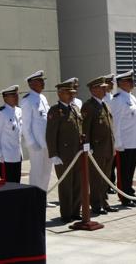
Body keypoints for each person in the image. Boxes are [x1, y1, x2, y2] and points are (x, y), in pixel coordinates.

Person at [46, 80, 83, 223]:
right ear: (60, 93)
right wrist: (53, 154)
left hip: (77, 153)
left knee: (77, 183)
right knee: (66, 184)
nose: (72, 95)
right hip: (63, 154)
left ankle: (75, 211)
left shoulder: (75, 109)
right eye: (68, 93)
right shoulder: (55, 111)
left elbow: (80, 129)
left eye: (73, 93)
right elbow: (50, 134)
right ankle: (66, 214)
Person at [81, 77, 118, 214]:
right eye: (102, 87)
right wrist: (88, 147)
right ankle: (96, 205)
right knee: (96, 178)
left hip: (107, 147)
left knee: (106, 177)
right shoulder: (89, 106)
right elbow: (85, 129)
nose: (105, 89)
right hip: (96, 149)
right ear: (93, 90)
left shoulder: (104, 104)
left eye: (105, 87)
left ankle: (104, 201)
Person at [21, 70, 54, 203]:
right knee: (36, 172)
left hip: (47, 142)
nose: (43, 83)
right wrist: (31, 142)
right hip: (36, 144)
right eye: (40, 81)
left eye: (43, 80)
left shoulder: (43, 98)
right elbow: (26, 125)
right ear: (32, 83)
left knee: (46, 171)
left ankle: (43, 198)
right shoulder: (27, 100)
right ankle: (34, 200)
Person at [109, 70, 136, 207]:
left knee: (130, 170)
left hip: (134, 141)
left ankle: (130, 192)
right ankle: (124, 197)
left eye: (132, 80)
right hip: (124, 143)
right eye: (129, 80)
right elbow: (116, 122)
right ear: (120, 83)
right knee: (123, 171)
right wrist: (118, 142)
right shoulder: (118, 99)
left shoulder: (131, 97)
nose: (132, 82)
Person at [0, 85, 23, 183]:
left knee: (17, 185)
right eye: (13, 95)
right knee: (7, 187)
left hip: (17, 155)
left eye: (17, 95)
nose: (16, 97)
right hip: (6, 157)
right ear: (5, 98)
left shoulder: (19, 111)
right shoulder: (1, 113)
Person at [103, 73, 117, 194]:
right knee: (109, 163)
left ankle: (112, 183)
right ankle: (107, 185)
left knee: (114, 162)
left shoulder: (113, 97)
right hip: (107, 135)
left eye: (112, 83)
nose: (112, 85)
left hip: (115, 134)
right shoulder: (104, 99)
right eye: (110, 82)